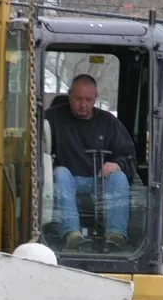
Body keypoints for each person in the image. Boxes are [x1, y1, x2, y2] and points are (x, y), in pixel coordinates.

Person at [45, 73, 136, 250]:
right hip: (65, 182)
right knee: (60, 173)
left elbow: (129, 156)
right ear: (69, 95)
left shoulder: (109, 122)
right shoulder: (51, 118)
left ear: (96, 98)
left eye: (88, 100)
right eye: (78, 99)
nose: (83, 104)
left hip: (100, 181)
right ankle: (71, 233)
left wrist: (117, 164)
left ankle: (115, 235)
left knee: (119, 177)